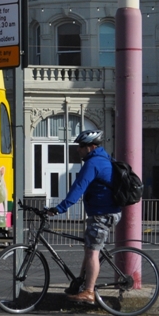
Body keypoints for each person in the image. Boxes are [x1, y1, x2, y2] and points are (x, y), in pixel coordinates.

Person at [46, 129, 122, 304]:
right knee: (89, 250)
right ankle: (80, 283)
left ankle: (89, 292)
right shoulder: (103, 159)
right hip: (102, 212)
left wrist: (59, 209)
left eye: (80, 146)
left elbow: (78, 188)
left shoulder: (93, 163)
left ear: (90, 147)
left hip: (103, 214)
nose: (78, 150)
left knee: (93, 252)